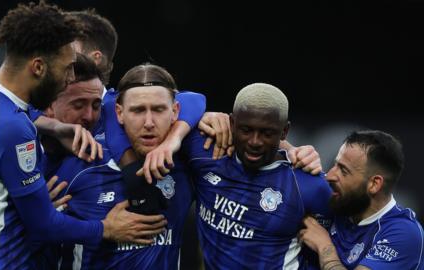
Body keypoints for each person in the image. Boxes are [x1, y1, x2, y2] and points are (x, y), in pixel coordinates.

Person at [0, 3, 166, 269]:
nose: (70, 78)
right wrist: (105, 229)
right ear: (38, 68)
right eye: (67, 68)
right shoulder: (13, 129)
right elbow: (44, 225)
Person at [146, 82, 333, 269]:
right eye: (246, 130)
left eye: (267, 133)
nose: (255, 142)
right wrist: (200, 119)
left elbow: (346, 240)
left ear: (284, 131)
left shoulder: (309, 186)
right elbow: (169, 101)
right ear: (232, 123)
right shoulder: (204, 151)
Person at [52, 63, 197, 269]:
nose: (148, 122)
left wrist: (215, 118)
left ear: (175, 112)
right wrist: (102, 229)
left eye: (158, 110)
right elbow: (39, 228)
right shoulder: (81, 164)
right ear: (119, 113)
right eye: (138, 111)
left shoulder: (190, 160)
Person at [299, 130, 424, 269]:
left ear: (374, 184)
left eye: (343, 170)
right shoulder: (339, 200)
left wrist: (324, 246)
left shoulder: (403, 234)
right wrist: (294, 152)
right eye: (335, 165)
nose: (329, 176)